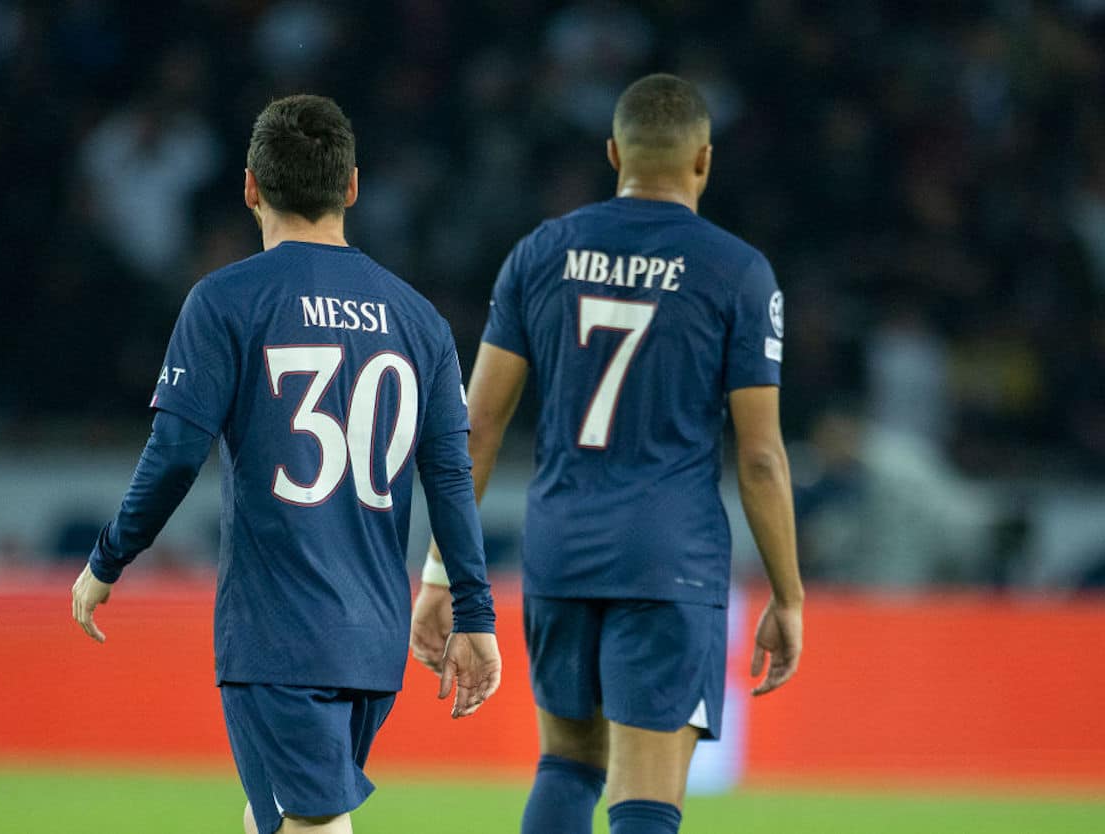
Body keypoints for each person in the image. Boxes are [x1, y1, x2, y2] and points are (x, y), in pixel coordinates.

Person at [71, 94, 502, 834]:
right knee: (270, 811)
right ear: (353, 187)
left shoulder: (226, 302)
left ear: (250, 187)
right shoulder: (419, 320)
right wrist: (474, 611)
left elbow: (175, 454)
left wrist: (108, 559)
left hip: (279, 631)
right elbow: (451, 477)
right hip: (373, 635)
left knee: (313, 824)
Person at [410, 74, 804, 834]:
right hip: (669, 557)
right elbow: (760, 459)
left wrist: (438, 574)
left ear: (615, 152)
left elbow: (478, 426)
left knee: (567, 765)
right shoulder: (738, 272)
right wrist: (787, 596)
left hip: (561, 547)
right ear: (704, 163)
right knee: (645, 798)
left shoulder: (543, 251)